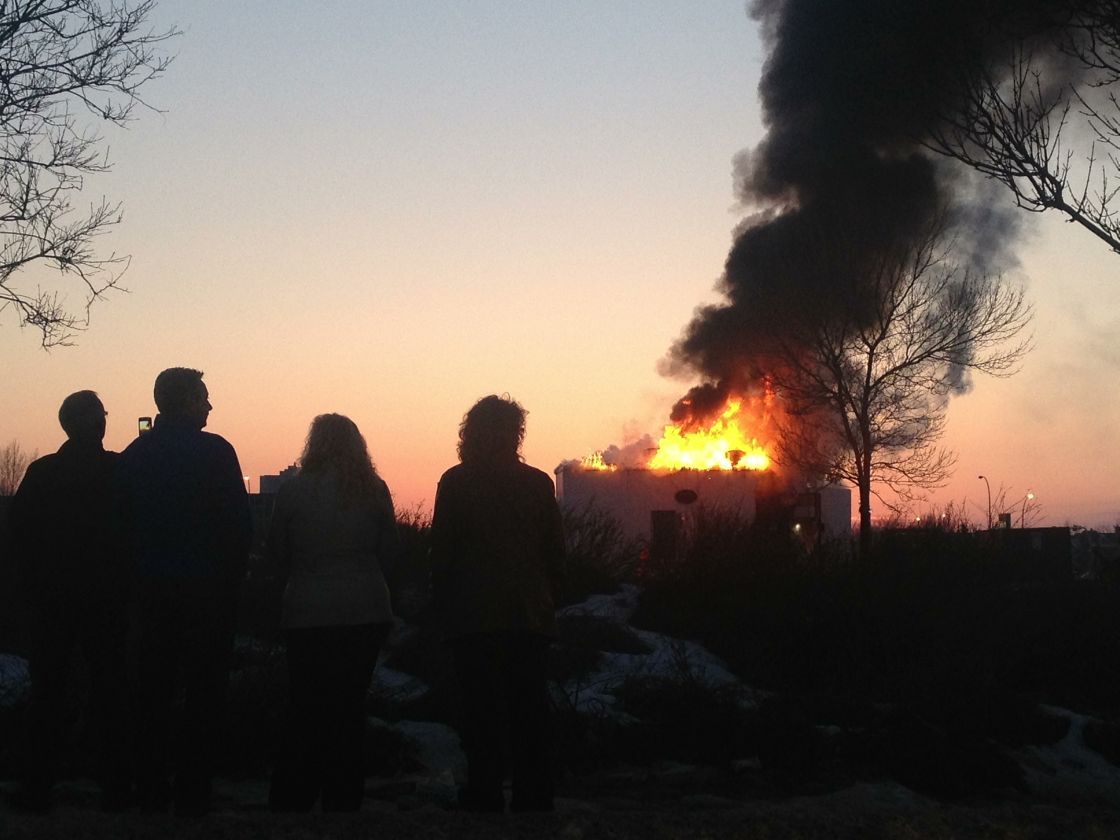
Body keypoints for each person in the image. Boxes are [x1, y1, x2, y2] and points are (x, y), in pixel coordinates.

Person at [117, 367, 251, 816]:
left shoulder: (133, 456)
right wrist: (233, 584)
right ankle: (194, 792)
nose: (210, 406)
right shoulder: (217, 453)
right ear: (188, 400)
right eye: (205, 397)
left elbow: (118, 531)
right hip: (207, 597)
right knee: (203, 696)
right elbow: (238, 528)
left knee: (151, 696)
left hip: (149, 596)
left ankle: (150, 789)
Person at [430, 395, 565, 813]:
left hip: (473, 617)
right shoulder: (539, 483)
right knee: (529, 710)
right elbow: (555, 552)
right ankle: (534, 795)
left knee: (480, 711)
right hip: (528, 614)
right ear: (516, 433)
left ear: (470, 433)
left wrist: (439, 605)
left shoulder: (455, 482)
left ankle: (484, 793)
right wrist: (547, 598)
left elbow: (442, 553)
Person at [266, 413, 401, 812]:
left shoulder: (292, 492)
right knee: (349, 705)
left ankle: (294, 794)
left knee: (306, 704)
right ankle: (344, 797)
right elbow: (390, 552)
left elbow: (277, 552)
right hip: (364, 609)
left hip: (307, 610)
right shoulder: (374, 489)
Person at [7, 391, 131, 812]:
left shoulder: (42, 474)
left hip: (52, 601)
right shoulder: (118, 471)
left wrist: (29, 591)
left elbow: (19, 538)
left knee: (47, 694)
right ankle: (115, 783)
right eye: (102, 416)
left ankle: (37, 783)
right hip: (107, 600)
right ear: (96, 423)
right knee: (111, 692)